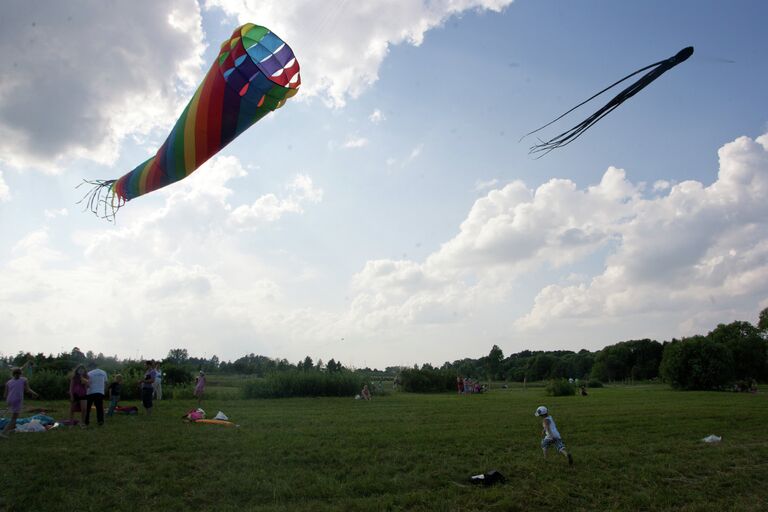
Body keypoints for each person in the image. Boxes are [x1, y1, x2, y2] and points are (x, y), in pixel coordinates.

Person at [1, 367, 39, 438]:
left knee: (14, 416)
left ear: (13, 374)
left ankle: (11, 430)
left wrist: (8, 401)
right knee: (14, 418)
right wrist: (35, 394)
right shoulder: (24, 379)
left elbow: (5, 395)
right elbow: (28, 390)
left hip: (10, 399)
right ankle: (3, 432)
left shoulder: (8, 382)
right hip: (17, 400)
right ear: (21, 373)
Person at [85, 362, 108, 427]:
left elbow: (87, 384)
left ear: (91, 367)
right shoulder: (103, 372)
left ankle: (86, 421)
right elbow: (106, 383)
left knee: (88, 408)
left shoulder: (89, 373)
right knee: (99, 408)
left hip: (90, 392)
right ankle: (100, 421)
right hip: (100, 392)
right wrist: (104, 391)